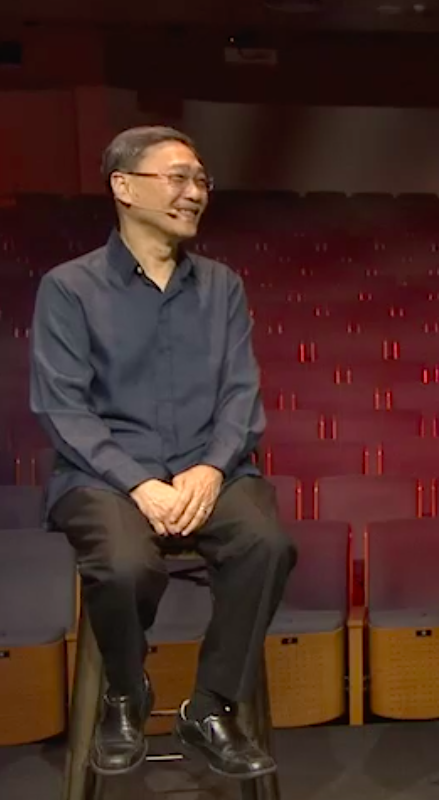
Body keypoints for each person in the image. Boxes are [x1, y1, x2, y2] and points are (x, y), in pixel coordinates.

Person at [30, 126, 296, 779]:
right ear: (124, 187)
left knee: (266, 544)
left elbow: (241, 395)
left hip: (212, 470)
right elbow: (63, 408)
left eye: (201, 179)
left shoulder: (223, 287)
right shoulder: (69, 288)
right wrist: (141, 484)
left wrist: (210, 468)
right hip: (104, 476)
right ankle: (126, 692)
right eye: (177, 177)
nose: (194, 192)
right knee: (122, 564)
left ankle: (209, 707)